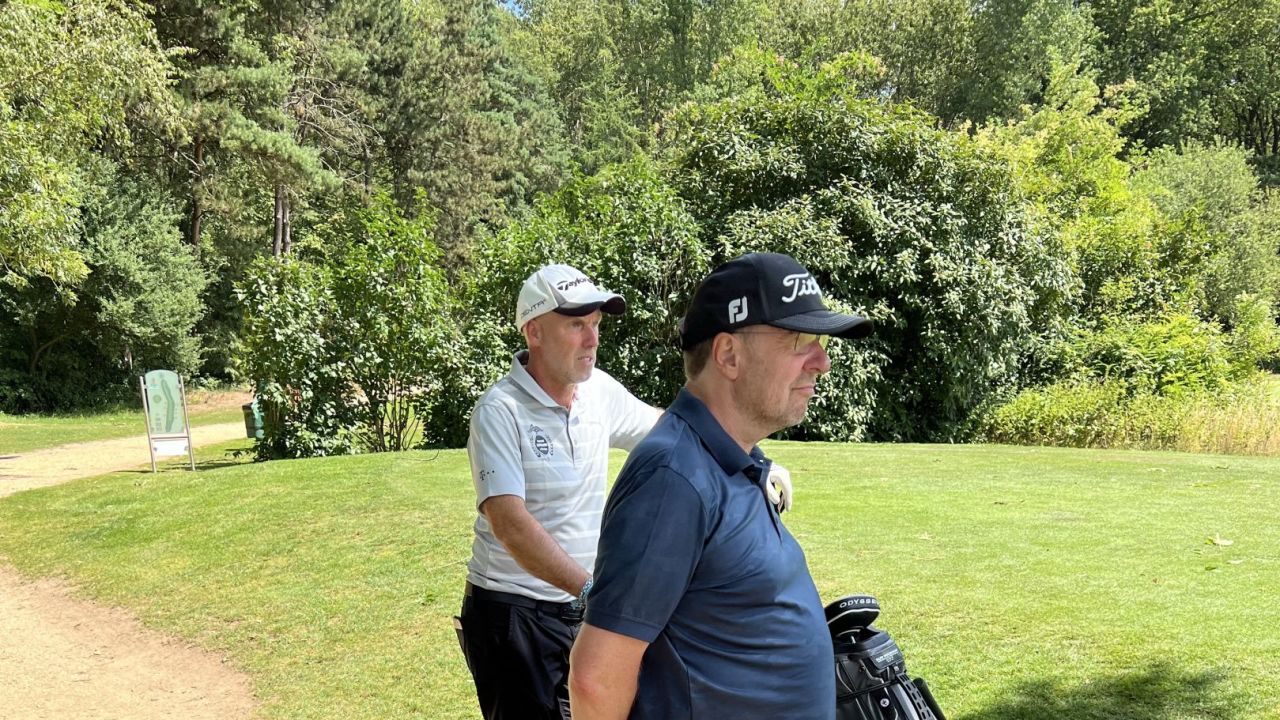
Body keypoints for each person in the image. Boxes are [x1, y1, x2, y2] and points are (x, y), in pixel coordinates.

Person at [458, 264, 794, 720]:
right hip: (514, 614)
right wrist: (592, 590)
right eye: (576, 325)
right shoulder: (500, 411)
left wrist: (754, 459)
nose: (592, 339)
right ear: (533, 332)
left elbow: (679, 430)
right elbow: (509, 523)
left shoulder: (597, 391)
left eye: (596, 324)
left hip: (581, 606)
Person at [568, 252, 872, 720]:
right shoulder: (674, 479)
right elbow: (595, 680)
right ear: (729, 355)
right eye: (800, 340)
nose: (822, 362)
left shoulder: (728, 459)